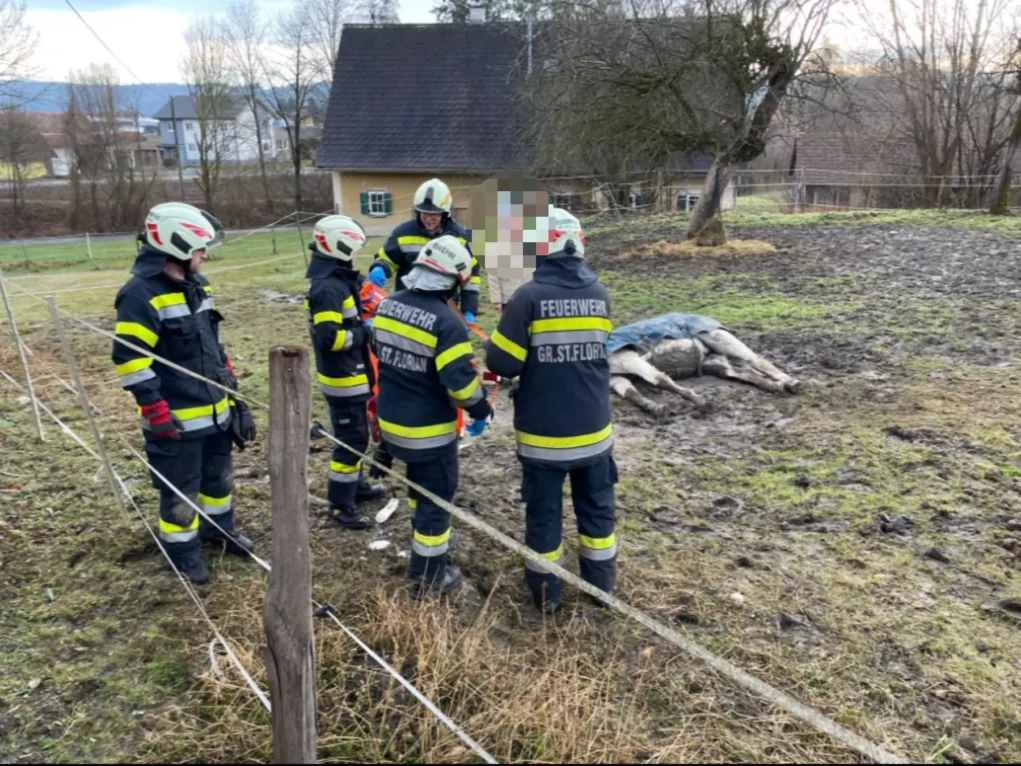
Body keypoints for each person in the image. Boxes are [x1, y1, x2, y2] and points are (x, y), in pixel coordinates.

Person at [112, 202, 257, 585]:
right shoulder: (139, 295)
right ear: (176, 246)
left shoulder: (199, 287)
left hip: (215, 412)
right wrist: (155, 410)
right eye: (199, 249)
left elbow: (213, 344)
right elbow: (130, 359)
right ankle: (181, 551)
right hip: (175, 419)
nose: (205, 256)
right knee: (181, 489)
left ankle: (218, 530)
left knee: (220, 479)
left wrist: (231, 387)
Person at [484, 208, 615, 614]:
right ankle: (601, 589)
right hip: (594, 431)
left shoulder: (528, 297)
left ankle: (546, 596)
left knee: (544, 517)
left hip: (544, 438)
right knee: (597, 513)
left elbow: (503, 364)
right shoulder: (600, 294)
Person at [371, 235, 492, 598]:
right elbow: (460, 386)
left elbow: (382, 354)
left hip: (392, 425)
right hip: (429, 431)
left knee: (417, 486)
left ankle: (422, 537)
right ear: (454, 280)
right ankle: (429, 577)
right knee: (435, 504)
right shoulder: (447, 324)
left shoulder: (387, 306)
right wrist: (482, 408)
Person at [305, 215, 386, 530]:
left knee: (358, 436)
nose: (356, 256)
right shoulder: (327, 289)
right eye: (353, 250)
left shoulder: (339, 281)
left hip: (353, 374)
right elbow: (330, 338)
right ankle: (341, 505)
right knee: (351, 440)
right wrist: (366, 333)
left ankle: (358, 486)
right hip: (343, 379)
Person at [366, 178, 481, 324]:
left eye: (435, 215)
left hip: (444, 307)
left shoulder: (461, 238)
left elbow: (471, 277)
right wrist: (380, 268)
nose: (428, 219)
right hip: (406, 306)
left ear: (445, 214)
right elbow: (387, 258)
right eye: (424, 214)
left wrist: (468, 310)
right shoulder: (403, 233)